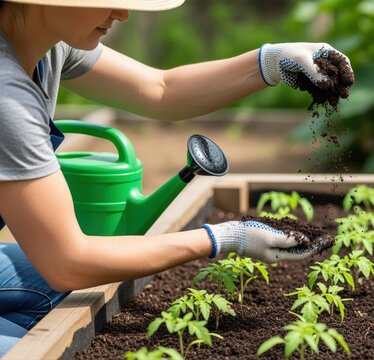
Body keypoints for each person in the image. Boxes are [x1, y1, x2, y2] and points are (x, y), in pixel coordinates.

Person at [0, 0, 353, 355]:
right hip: (64, 260)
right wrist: (224, 238)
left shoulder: (48, 45)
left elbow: (159, 89)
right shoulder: (7, 94)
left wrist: (269, 63)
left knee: (63, 314)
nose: (123, 13)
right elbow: (68, 262)